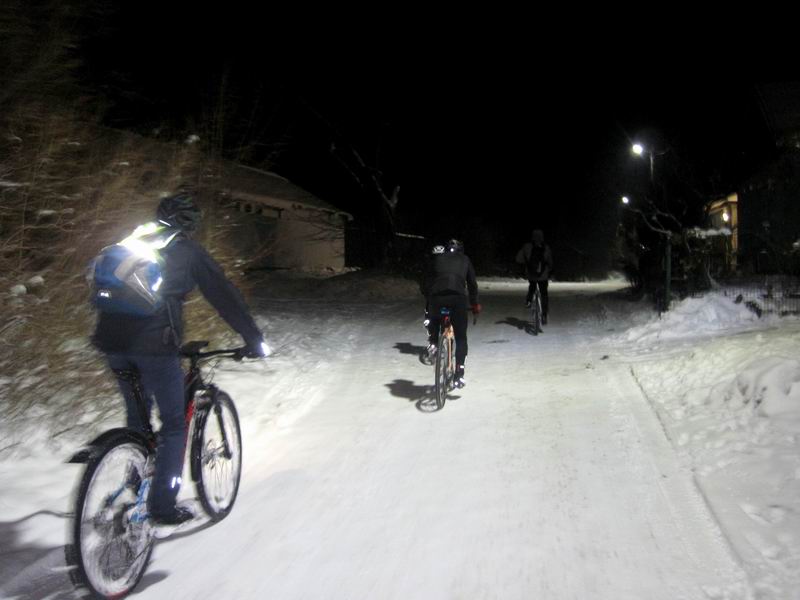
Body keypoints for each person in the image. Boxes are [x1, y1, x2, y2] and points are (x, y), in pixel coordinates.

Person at [91, 191, 269, 525]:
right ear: (191, 223)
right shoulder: (187, 251)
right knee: (173, 426)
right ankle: (161, 508)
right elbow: (225, 296)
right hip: (155, 348)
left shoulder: (131, 241)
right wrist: (253, 339)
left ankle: (135, 481)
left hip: (112, 344)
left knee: (137, 420)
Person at [422, 239, 480, 388]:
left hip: (437, 298)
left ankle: (434, 342)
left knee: (435, 317)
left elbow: (426, 280)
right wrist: (475, 305)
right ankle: (459, 374)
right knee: (461, 337)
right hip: (457, 299)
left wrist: (429, 296)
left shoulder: (438, 258)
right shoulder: (465, 260)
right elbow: (472, 284)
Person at [515, 229, 553, 324]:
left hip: (531, 274)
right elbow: (550, 262)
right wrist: (550, 270)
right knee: (544, 294)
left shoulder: (527, 247)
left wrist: (525, 263)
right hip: (543, 275)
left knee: (532, 286)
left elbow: (518, 259)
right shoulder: (546, 248)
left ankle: (528, 300)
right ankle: (544, 315)